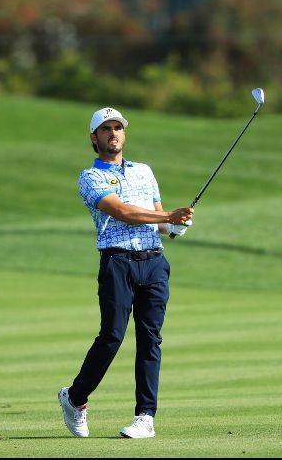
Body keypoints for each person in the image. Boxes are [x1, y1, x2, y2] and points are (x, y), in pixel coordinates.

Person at [58, 107, 193, 439]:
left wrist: (173, 226)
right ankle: (75, 399)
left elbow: (158, 217)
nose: (113, 133)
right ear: (94, 137)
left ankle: (145, 417)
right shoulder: (90, 177)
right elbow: (121, 212)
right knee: (112, 337)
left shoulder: (144, 171)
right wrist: (166, 218)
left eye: (118, 127)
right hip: (117, 263)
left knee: (151, 339)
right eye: (106, 129)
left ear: (124, 134)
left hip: (154, 264)